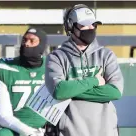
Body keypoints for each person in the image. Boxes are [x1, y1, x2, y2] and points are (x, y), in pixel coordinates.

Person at [45, 4, 124, 136]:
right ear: (71, 26)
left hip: (105, 131)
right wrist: (94, 81)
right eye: (84, 25)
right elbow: (59, 91)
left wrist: (72, 89)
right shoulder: (56, 57)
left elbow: (115, 92)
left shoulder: (106, 55)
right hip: (70, 132)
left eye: (93, 25)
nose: (90, 28)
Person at [0, 27, 49, 136]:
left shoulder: (52, 66)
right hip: (17, 130)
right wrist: (30, 133)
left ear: (41, 45)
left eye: (32, 41)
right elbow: (4, 116)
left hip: (48, 130)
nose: (26, 44)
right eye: (24, 40)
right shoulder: (6, 68)